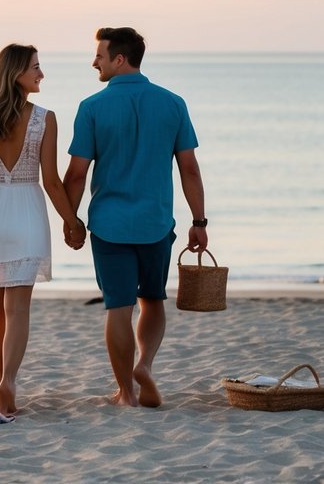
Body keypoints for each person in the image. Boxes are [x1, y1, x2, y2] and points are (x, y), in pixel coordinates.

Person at [63, 26, 208, 408]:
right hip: (156, 223)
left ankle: (126, 391)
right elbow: (189, 170)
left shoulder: (91, 107)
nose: (94, 61)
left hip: (110, 225)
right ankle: (144, 365)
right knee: (154, 300)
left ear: (119, 59)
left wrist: (70, 219)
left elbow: (76, 174)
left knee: (118, 306)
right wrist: (199, 221)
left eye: (100, 54)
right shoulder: (173, 103)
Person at [0, 44, 85, 414]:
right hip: (26, 213)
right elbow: (52, 181)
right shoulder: (44, 118)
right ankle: (8, 381)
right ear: (16, 73)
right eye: (36, 68)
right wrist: (72, 222)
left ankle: (1, 380)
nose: (41, 74)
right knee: (18, 308)